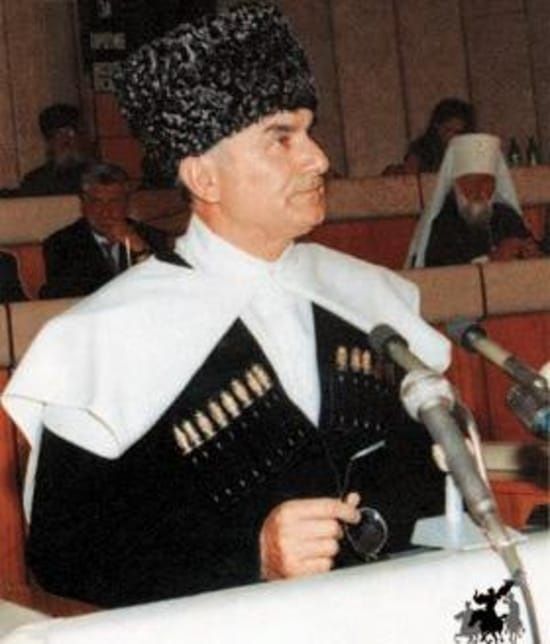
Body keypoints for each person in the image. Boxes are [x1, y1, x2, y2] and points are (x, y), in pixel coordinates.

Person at [2, 2, 450, 608]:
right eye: (281, 138)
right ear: (204, 178)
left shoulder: (365, 296)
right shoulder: (106, 334)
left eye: (309, 131)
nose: (318, 158)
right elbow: (67, 554)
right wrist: (249, 553)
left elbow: (425, 482)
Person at [405, 133, 542, 268]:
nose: (479, 190)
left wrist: (532, 256)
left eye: (486, 182)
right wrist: (492, 259)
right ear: (456, 186)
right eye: (471, 183)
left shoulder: (507, 217)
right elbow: (441, 274)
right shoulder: (443, 222)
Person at [39, 162, 171, 298]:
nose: (106, 212)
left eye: (114, 201)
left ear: (127, 204)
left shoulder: (152, 237)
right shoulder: (60, 244)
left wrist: (137, 246)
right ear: (83, 205)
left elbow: (165, 287)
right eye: (97, 202)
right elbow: (68, 295)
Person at [18, 103, 93, 197]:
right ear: (49, 141)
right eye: (58, 133)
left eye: (70, 132)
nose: (66, 139)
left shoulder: (99, 175)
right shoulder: (35, 181)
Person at [402, 98, 475, 174]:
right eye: (447, 130)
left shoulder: (470, 151)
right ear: (436, 126)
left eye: (458, 132)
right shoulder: (420, 150)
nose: (452, 136)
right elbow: (410, 176)